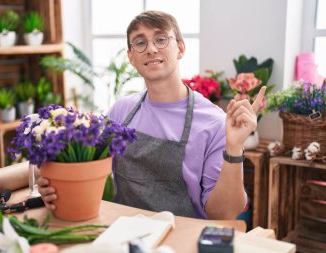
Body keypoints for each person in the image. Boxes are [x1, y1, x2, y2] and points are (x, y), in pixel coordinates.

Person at [38, 10, 266, 219]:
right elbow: (83, 165)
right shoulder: (121, 111)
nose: (151, 48)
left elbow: (223, 214)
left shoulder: (214, 122)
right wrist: (52, 182)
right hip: (122, 231)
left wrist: (234, 148)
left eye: (161, 39)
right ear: (131, 57)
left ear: (181, 49)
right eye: (140, 42)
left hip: (182, 239)